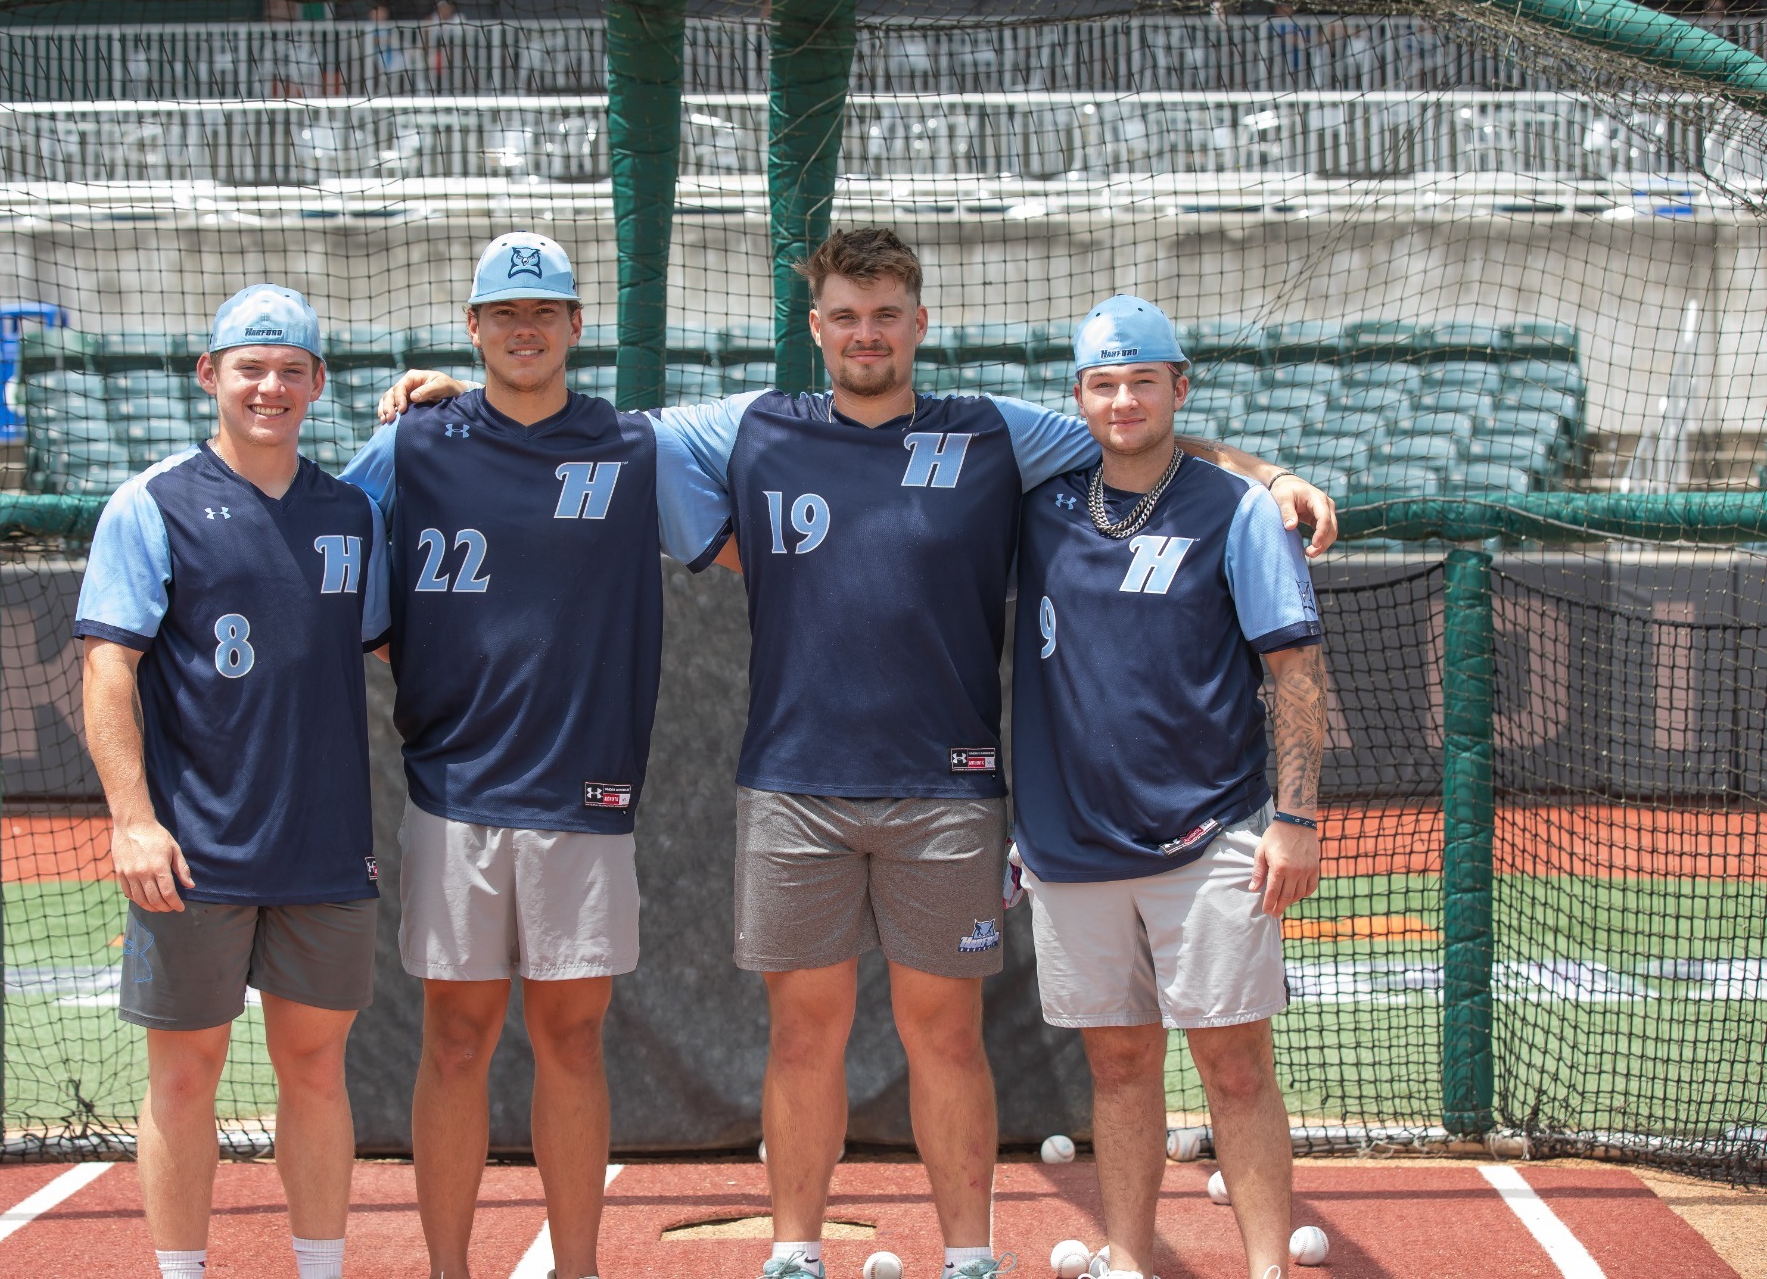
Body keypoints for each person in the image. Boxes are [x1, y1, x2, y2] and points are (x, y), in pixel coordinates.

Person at [381, 229, 1338, 1279]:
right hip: (793, 785)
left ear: (917, 325)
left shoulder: (989, 433)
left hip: (948, 787)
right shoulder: (751, 426)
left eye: (885, 315)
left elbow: (1139, 439)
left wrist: (1265, 474)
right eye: (845, 316)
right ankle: (795, 1251)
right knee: (801, 1033)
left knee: (944, 1033)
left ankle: (967, 1256)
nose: (865, 334)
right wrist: (455, 398)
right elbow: (587, 428)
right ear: (815, 330)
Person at [339, 232, 726, 1279]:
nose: (523, 328)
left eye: (542, 311)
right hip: (453, 785)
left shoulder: (631, 447)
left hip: (583, 787)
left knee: (570, 1035)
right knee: (455, 1037)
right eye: (503, 313)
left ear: (574, 326)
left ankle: (579, 1268)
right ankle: (449, 1269)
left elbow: (727, 537)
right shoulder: (410, 445)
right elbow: (325, 542)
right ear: (472, 327)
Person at [1010, 296, 1328, 1279]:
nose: (1121, 400)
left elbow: (1296, 675)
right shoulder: (1038, 500)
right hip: (1069, 844)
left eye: (1142, 379)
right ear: (1076, 397)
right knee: (1115, 1065)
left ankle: (1266, 1265)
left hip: (1212, 835)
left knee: (1234, 1069)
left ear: (1177, 387)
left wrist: (1294, 817)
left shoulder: (1233, 511)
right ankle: (1124, 1256)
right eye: (1101, 383)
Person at [78, 284, 391, 1279]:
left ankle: (319, 1267)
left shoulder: (352, 512)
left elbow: (384, 648)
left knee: (313, 1067)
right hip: (194, 849)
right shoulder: (153, 503)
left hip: (325, 845)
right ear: (208, 375)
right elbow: (106, 670)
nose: (270, 385)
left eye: (291, 369)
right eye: (249, 367)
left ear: (317, 385)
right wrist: (132, 819)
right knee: (184, 1075)